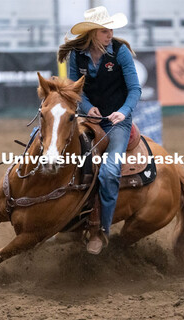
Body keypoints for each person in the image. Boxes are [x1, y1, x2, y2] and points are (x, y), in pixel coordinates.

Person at [58, 6, 142, 254]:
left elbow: (135, 89)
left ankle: (101, 230)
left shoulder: (120, 52)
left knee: (108, 172)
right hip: (88, 119)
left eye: (111, 29)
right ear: (93, 33)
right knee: (61, 155)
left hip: (118, 122)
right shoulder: (77, 55)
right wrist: (87, 106)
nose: (110, 34)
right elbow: (76, 90)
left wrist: (123, 112)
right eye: (105, 30)